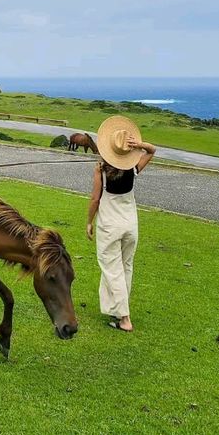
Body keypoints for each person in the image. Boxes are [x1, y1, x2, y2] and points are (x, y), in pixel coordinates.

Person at [86, 115, 156, 332]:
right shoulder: (133, 169)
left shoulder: (102, 172)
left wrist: (89, 222)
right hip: (130, 226)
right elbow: (152, 150)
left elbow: (95, 199)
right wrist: (140, 145)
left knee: (111, 269)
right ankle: (118, 313)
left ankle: (124, 319)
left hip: (110, 227)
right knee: (125, 267)